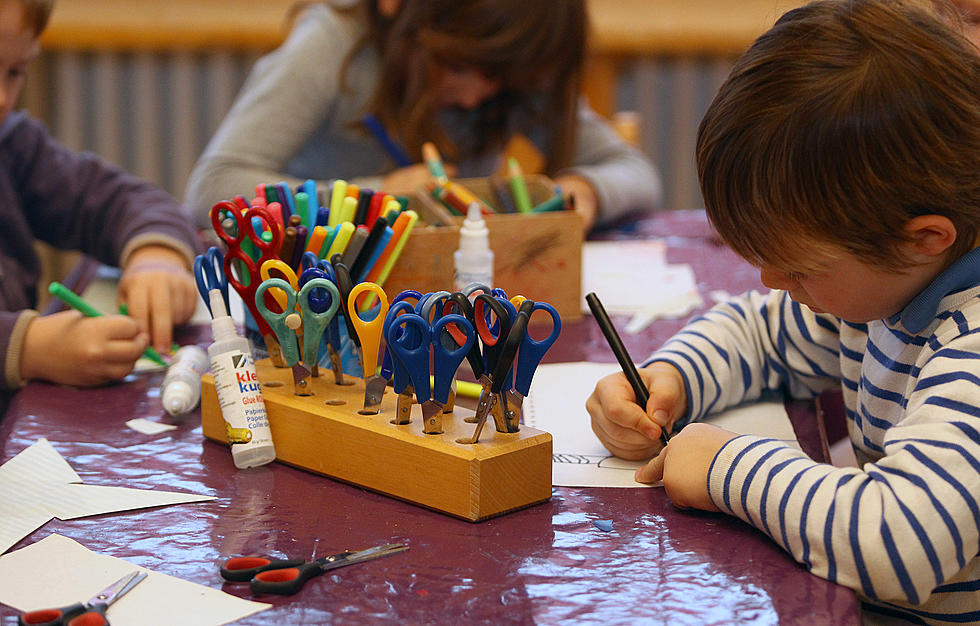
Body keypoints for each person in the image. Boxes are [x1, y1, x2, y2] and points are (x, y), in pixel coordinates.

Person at [586, 0, 980, 622]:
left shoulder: (971, 343)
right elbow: (761, 332)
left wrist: (726, 465)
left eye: (799, 269)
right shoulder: (887, 285)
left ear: (924, 238)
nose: (770, 281)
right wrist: (674, 377)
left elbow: (899, 540)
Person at [183, 0, 662, 231]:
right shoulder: (332, 47)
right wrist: (372, 196)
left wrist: (587, 191)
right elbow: (212, 188)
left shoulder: (510, 64)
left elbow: (637, 172)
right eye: (455, 67)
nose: (475, 98)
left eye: (500, 80)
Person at [0, 0, 200, 415]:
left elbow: (117, 199)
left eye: (14, 72)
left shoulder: (13, 148)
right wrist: (27, 347)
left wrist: (155, 258)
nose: (3, 98)